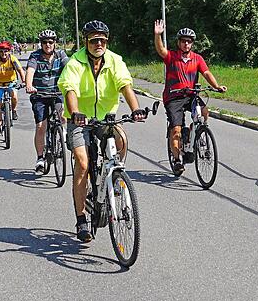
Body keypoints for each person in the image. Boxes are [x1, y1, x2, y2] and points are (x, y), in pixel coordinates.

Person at [58, 20, 146, 243]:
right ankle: (81, 219)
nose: (99, 44)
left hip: (106, 117)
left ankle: (114, 178)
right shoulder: (75, 63)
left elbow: (125, 85)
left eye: (103, 40)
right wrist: (75, 111)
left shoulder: (115, 61)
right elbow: (69, 89)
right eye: (94, 40)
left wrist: (135, 109)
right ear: (86, 41)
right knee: (83, 163)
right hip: (80, 119)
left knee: (122, 139)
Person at [154, 19, 227, 175]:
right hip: (174, 97)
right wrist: (157, 35)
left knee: (204, 112)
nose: (186, 44)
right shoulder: (172, 56)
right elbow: (161, 50)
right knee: (176, 130)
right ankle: (177, 160)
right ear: (179, 42)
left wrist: (216, 86)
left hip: (191, 94)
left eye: (189, 42)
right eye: (184, 41)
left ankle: (196, 133)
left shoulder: (197, 58)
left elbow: (206, 73)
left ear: (192, 43)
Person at [26, 29, 69, 172]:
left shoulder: (60, 54)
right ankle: (40, 158)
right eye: (44, 42)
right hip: (39, 95)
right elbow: (30, 71)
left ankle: (60, 134)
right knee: (41, 126)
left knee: (62, 115)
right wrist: (29, 85)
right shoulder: (35, 56)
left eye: (50, 42)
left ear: (55, 43)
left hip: (57, 93)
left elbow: (69, 68)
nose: (48, 45)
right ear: (41, 44)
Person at [0, 40, 26, 135]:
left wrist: (24, 81)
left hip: (11, 82)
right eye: (1, 51)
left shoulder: (13, 59)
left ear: (9, 51)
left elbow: (20, 70)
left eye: (5, 51)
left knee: (14, 96)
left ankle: (14, 110)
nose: (3, 54)